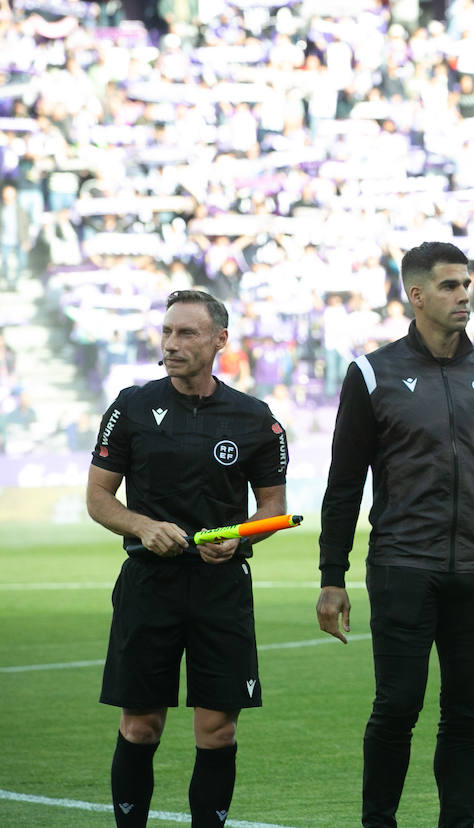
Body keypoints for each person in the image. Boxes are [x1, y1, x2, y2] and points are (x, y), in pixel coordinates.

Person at [316, 241, 474, 828]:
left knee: (467, 713)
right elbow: (344, 484)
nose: (463, 295)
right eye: (449, 286)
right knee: (397, 707)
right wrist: (331, 577)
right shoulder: (372, 374)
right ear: (415, 296)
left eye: (466, 284)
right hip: (402, 568)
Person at [88, 289, 290, 828]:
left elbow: (273, 511)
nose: (172, 345)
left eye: (187, 334)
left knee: (217, 731)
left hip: (220, 589)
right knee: (140, 727)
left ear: (220, 340)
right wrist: (142, 526)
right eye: (167, 333)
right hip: (148, 585)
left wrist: (241, 540)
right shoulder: (131, 406)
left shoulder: (254, 418)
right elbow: (99, 499)